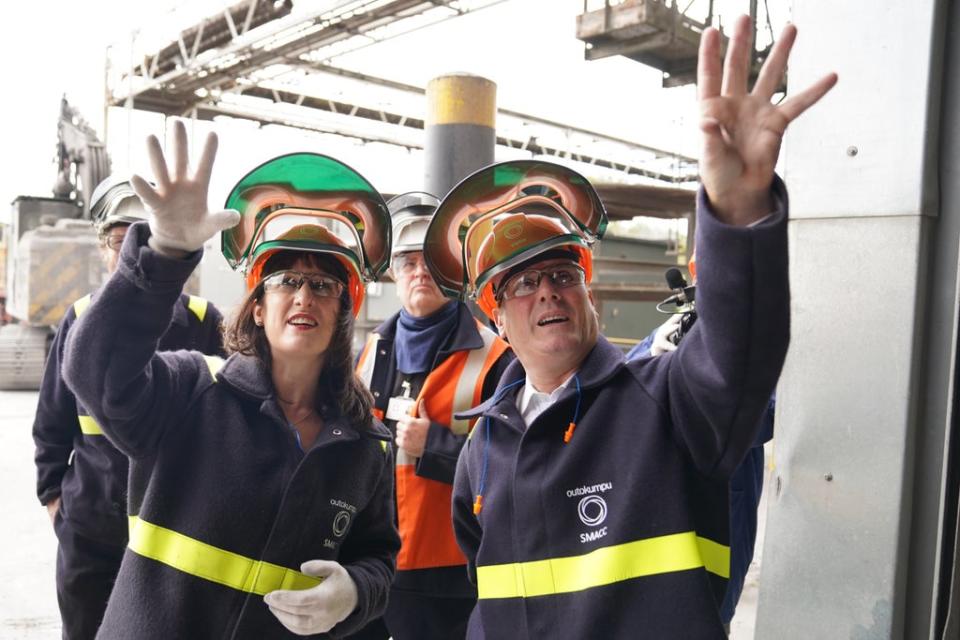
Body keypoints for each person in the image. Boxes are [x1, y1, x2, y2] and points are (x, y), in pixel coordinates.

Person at [425, 16, 837, 639]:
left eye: (562, 273)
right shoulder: (482, 453)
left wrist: (736, 211)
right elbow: (485, 598)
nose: (547, 294)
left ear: (587, 290)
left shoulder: (667, 397)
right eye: (521, 285)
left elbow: (738, 354)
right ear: (496, 318)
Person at [62, 122, 400, 638]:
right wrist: (163, 256)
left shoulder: (365, 445)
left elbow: (378, 558)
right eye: (286, 281)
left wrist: (355, 592)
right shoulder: (192, 392)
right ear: (259, 309)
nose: (305, 297)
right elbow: (94, 368)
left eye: (324, 285)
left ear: (343, 314)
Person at [32, 174, 225, 640]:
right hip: (92, 532)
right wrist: (59, 505)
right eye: (122, 240)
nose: (133, 251)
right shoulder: (79, 322)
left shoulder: (205, 322)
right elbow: (51, 427)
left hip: (173, 532)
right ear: (103, 249)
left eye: (146, 237)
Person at [352, 192, 513, 639]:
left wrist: (437, 446)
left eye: (430, 261)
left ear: (454, 271)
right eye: (407, 261)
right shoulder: (370, 351)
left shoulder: (496, 359)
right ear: (392, 272)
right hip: (370, 557)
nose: (419, 271)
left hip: (445, 571)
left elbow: (513, 466)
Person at [627, 306, 776, 632]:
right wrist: (650, 355)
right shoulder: (669, 335)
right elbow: (616, 402)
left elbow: (766, 417)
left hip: (715, 572)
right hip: (649, 573)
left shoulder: (754, 350)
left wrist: (704, 379)